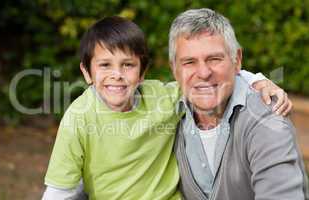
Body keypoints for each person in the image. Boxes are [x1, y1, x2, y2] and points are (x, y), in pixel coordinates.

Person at [42, 16, 292, 200]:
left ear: (142, 73)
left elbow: (208, 78)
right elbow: (59, 190)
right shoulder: (78, 117)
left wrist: (258, 80)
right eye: (105, 65)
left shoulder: (160, 97)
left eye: (127, 65)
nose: (116, 75)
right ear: (86, 72)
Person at [170, 8, 309, 200]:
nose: (203, 72)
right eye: (189, 62)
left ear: (237, 60)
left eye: (214, 59)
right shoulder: (167, 112)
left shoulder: (266, 121)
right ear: (174, 69)